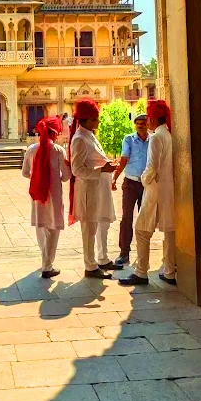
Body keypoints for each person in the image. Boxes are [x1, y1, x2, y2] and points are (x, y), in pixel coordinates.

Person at [120, 99, 176, 287]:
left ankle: (141, 272)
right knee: (169, 230)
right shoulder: (168, 135)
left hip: (155, 188)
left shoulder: (155, 138)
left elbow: (152, 167)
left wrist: (144, 180)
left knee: (142, 230)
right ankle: (169, 271)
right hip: (168, 189)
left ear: (153, 119)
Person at [68, 98, 120, 279]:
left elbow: (94, 161)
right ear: (89, 119)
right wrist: (101, 170)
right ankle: (89, 266)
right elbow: (77, 169)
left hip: (97, 189)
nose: (98, 122)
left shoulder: (89, 135)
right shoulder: (80, 139)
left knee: (96, 225)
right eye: (96, 119)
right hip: (88, 191)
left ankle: (99, 260)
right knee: (89, 229)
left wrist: (107, 165)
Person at [21, 116, 70, 278]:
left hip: (37, 193)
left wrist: (38, 178)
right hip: (54, 194)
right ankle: (47, 266)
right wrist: (56, 178)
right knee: (53, 228)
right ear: (55, 134)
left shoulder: (31, 149)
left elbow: (25, 173)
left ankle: (45, 262)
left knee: (41, 228)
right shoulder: (58, 150)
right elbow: (66, 175)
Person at [111, 113, 149, 265]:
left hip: (147, 184)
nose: (140, 125)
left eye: (143, 123)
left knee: (144, 220)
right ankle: (124, 253)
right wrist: (115, 177)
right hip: (130, 183)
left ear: (148, 124)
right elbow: (124, 158)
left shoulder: (153, 140)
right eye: (137, 123)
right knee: (127, 218)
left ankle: (142, 254)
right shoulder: (128, 139)